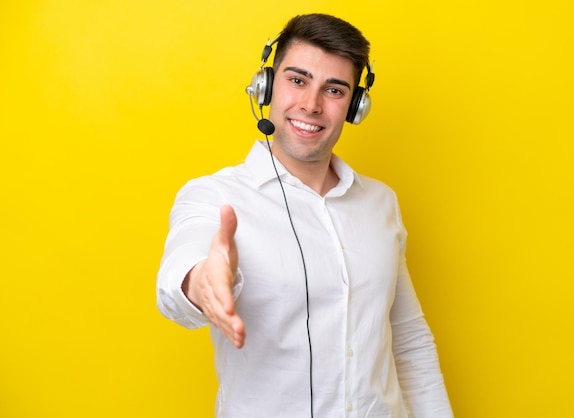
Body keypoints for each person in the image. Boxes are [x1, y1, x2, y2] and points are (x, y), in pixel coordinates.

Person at [157, 13, 453, 418]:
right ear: (266, 85)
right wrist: (201, 282)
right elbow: (181, 273)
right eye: (297, 80)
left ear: (354, 106)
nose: (311, 105)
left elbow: (408, 340)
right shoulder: (213, 196)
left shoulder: (381, 203)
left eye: (333, 89)